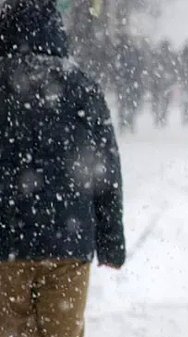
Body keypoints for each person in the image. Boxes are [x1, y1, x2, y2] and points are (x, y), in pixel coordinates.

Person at [0, 1, 125, 336]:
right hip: (68, 242)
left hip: (5, 241)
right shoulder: (81, 84)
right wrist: (111, 241)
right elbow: (106, 170)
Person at [114, 34, 145, 133]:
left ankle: (125, 122)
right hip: (130, 81)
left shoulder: (120, 52)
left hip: (125, 82)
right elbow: (140, 66)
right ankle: (128, 122)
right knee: (130, 103)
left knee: (125, 103)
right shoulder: (134, 52)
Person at [150, 40, 178, 128]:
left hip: (159, 84)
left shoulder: (157, 55)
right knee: (164, 102)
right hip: (164, 85)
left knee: (158, 102)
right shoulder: (170, 57)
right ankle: (162, 118)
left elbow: (151, 68)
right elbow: (175, 70)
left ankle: (159, 117)